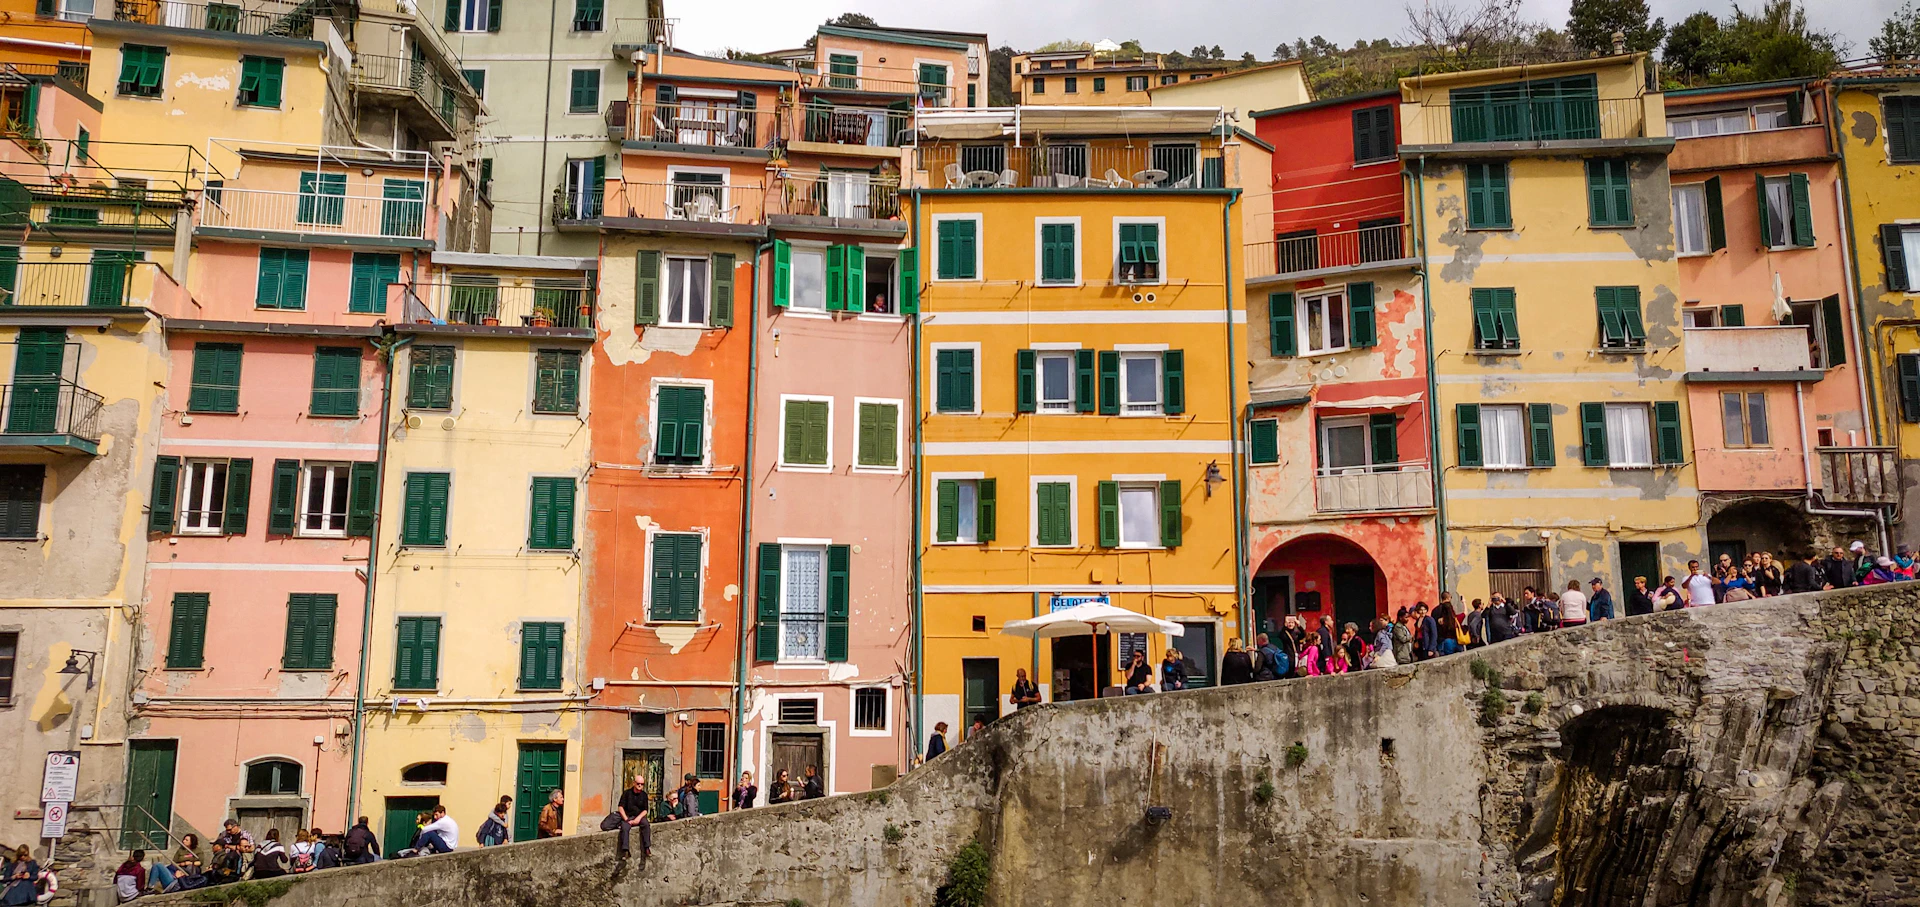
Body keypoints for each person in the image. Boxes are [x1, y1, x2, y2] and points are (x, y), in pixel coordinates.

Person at [603, 773, 653, 858]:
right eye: (638, 784)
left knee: (646, 825)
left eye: (642, 784)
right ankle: (625, 851)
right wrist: (626, 819)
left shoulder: (644, 795)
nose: (640, 786)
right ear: (634, 783)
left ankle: (647, 848)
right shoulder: (627, 794)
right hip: (628, 816)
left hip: (639, 817)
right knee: (625, 828)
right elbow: (620, 807)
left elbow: (645, 810)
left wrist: (638, 819)